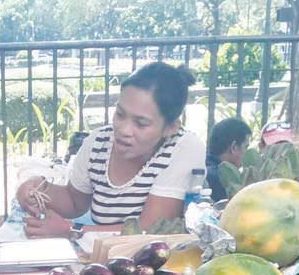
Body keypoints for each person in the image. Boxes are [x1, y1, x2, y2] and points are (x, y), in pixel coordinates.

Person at [14, 63, 206, 236]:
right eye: (120, 114)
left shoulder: (184, 148)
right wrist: (38, 190)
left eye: (141, 123)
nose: (123, 130)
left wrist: (71, 230)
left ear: (171, 127)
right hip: (102, 262)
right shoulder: (98, 143)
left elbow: (149, 230)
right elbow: (74, 202)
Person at [206, 117, 251, 202]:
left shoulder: (204, 168)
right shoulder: (221, 180)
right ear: (234, 147)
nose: (247, 152)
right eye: (246, 147)